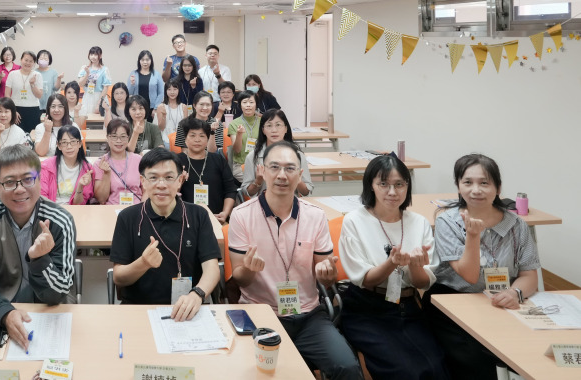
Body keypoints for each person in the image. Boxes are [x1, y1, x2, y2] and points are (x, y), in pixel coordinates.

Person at [227, 141, 363, 380]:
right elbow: (240, 279)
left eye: (290, 168)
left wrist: (328, 273)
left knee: (348, 367)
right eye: (275, 167)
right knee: (263, 373)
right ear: (262, 171)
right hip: (261, 314)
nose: (282, 175)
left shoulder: (315, 215)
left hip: (309, 316)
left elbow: (326, 277)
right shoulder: (242, 215)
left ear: (300, 175)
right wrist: (248, 269)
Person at [423, 154, 540, 380]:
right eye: (467, 182)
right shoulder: (448, 222)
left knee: (525, 354)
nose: (476, 190)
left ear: (498, 188)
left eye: (484, 183)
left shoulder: (516, 225)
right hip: (453, 301)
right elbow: (469, 275)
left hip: (500, 301)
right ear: (458, 186)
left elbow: (529, 275)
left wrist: (514, 292)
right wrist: (473, 236)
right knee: (477, 361)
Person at [337, 155, 448, 380]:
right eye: (383, 184)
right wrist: (392, 263)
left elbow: (422, 282)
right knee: (404, 371)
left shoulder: (419, 222)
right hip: (367, 309)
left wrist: (415, 266)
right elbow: (366, 280)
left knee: (437, 368)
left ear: (407, 186)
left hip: (408, 307)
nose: (392, 192)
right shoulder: (354, 221)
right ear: (371, 185)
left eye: (399, 184)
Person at [0, 144, 77, 351]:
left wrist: (41, 260)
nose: (20, 189)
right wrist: (5, 313)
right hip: (0, 309)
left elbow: (60, 292)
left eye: (28, 179)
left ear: (40, 179)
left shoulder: (60, 221)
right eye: (9, 182)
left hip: (48, 312)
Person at [110, 149, 220, 320]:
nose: (161, 185)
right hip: (139, 310)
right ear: (143, 181)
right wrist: (143, 263)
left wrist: (197, 294)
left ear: (180, 180)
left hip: (187, 310)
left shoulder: (198, 215)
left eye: (169, 177)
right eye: (153, 177)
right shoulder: (128, 217)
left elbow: (211, 268)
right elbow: (119, 278)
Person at [241, 109, 314, 198]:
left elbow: (306, 192)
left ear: (286, 128)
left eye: (278, 125)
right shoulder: (253, 157)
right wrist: (258, 181)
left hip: (290, 203)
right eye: (269, 125)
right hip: (263, 204)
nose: (274, 130)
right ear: (263, 130)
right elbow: (247, 192)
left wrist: (298, 181)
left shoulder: (297, 155)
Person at [178, 118, 237, 223]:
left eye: (202, 136)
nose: (197, 140)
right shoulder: (176, 162)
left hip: (216, 218)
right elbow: (169, 194)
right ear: (185, 139)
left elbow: (230, 190)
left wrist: (225, 213)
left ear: (207, 139)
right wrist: (178, 183)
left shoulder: (218, 160)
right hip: (185, 219)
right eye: (192, 135)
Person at [39, 125, 94, 205]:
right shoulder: (47, 166)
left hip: (75, 210)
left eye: (73, 142)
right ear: (59, 146)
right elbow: (42, 196)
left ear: (80, 144)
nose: (69, 147)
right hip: (51, 209)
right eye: (64, 142)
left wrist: (80, 186)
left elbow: (79, 204)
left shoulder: (87, 169)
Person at [93, 119, 143, 205]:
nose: (119, 141)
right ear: (108, 138)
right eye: (114, 136)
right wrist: (106, 174)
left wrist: (142, 208)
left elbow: (147, 190)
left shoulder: (138, 160)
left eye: (123, 137)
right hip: (111, 208)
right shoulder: (100, 163)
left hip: (136, 208)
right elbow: (101, 199)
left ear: (128, 138)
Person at [4, 50, 44, 134]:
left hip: (33, 109)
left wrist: (32, 84)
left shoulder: (37, 75)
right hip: (16, 109)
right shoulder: (12, 74)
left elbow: (39, 95)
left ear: (34, 63)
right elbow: (7, 94)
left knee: (32, 136)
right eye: (26, 60)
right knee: (16, 135)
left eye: (31, 61)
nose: (28, 63)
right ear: (21, 60)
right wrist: (13, 110)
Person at [227, 91, 263, 183]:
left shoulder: (263, 122)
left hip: (261, 163)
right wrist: (239, 134)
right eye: (245, 102)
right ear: (240, 105)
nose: (248, 105)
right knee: (256, 184)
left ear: (256, 104)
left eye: (251, 102)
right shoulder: (234, 124)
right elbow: (237, 150)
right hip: (241, 165)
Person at [76, 45, 113, 115]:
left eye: (96, 55)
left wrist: (99, 103)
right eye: (91, 54)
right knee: (86, 116)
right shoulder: (84, 68)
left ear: (100, 56)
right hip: (88, 96)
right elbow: (80, 84)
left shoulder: (104, 70)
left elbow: (105, 88)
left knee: (100, 117)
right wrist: (87, 73)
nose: (93, 57)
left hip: (99, 96)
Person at [127, 49, 163, 120]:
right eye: (142, 60)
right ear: (139, 61)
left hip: (152, 108)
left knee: (150, 126)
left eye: (147, 60)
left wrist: (156, 108)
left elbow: (161, 93)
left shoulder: (156, 74)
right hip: (137, 108)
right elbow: (129, 93)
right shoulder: (133, 73)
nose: (145, 62)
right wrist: (132, 84)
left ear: (151, 61)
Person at [155, 78, 187, 146]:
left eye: (175, 89)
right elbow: (161, 128)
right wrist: (164, 117)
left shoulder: (183, 107)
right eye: (169, 89)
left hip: (181, 140)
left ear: (179, 90)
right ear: (165, 91)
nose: (172, 92)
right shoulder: (161, 107)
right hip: (166, 140)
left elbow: (185, 127)